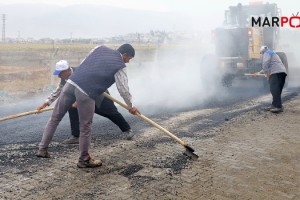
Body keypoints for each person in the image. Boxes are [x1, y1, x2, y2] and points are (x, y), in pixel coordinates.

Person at [36, 44, 140, 168]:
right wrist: (131, 106)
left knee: (54, 118)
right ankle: (84, 159)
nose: (128, 62)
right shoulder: (120, 65)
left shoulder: (99, 48)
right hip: (86, 91)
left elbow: (85, 64)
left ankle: (42, 149)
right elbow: (123, 89)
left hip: (71, 83)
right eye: (129, 59)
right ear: (125, 55)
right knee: (86, 126)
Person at [36, 60, 133, 145]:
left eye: (60, 73)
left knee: (111, 113)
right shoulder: (64, 78)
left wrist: (77, 102)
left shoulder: (80, 72)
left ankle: (128, 130)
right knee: (72, 108)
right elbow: (58, 91)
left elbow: (89, 89)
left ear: (66, 70)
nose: (58, 76)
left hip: (99, 95)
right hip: (82, 98)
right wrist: (45, 103)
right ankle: (76, 136)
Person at [255, 46, 287, 113]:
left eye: (261, 53)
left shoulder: (267, 53)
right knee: (277, 91)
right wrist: (260, 72)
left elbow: (266, 63)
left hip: (276, 73)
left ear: (262, 52)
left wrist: (265, 73)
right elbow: (270, 65)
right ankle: (275, 105)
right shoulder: (273, 53)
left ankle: (278, 107)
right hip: (282, 73)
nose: (262, 55)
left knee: (274, 90)